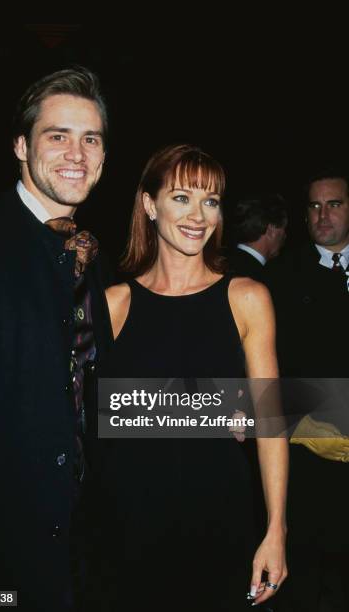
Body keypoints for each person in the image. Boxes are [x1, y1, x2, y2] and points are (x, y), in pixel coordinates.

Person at [85, 144, 288, 611]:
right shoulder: (112, 304)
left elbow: (271, 421)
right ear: (149, 205)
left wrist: (276, 530)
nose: (198, 215)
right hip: (126, 526)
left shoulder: (246, 297)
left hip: (221, 522)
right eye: (181, 198)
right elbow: (92, 417)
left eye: (211, 200)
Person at [0, 67, 112, 612]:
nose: (76, 153)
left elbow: (98, 393)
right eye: (57, 135)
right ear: (21, 145)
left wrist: (239, 411)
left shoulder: (93, 257)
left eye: (91, 139)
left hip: (84, 557)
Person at [269, 169, 349, 611]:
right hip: (310, 453)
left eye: (334, 203)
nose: (323, 215)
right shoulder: (281, 278)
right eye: (314, 206)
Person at [228, 194, 287, 283]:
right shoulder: (261, 280)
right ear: (271, 230)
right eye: (284, 229)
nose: (285, 236)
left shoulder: (220, 264)